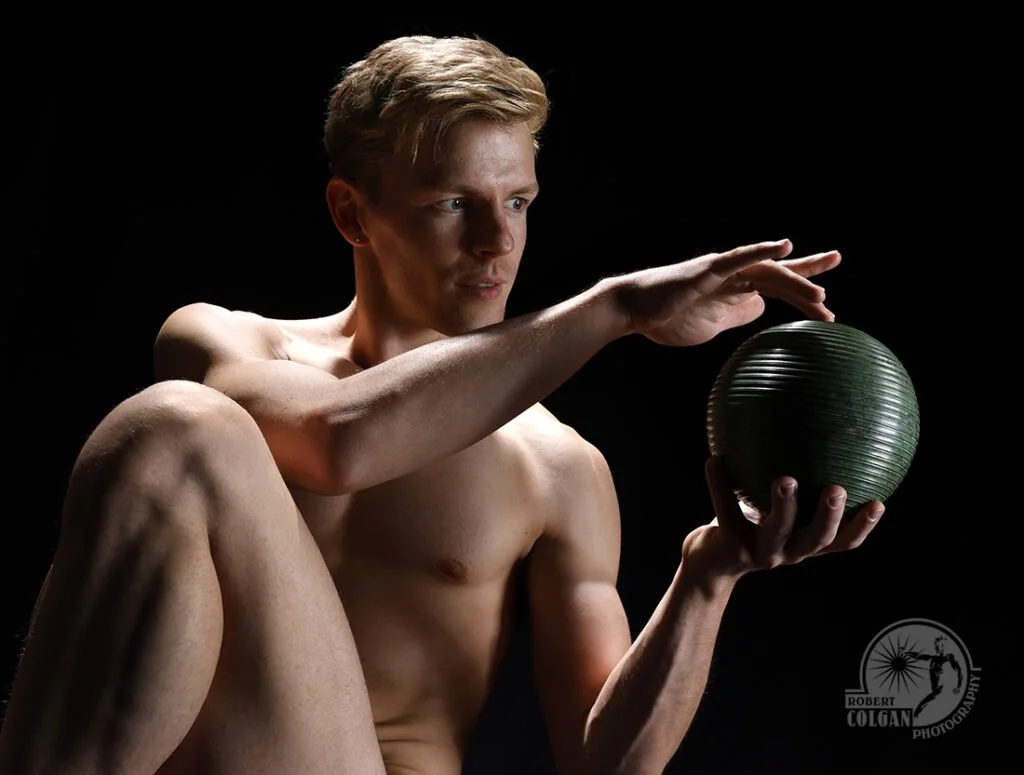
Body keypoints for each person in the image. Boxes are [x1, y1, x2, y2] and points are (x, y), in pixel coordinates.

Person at [0, 35, 885, 775]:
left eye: (520, 201)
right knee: (177, 425)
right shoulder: (229, 345)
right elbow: (334, 444)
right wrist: (615, 306)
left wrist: (707, 576)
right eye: (454, 203)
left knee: (181, 425)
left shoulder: (555, 466)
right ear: (352, 214)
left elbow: (606, 763)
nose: (499, 240)